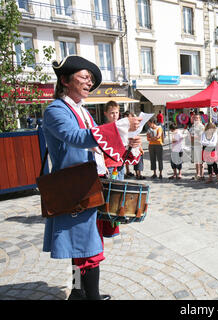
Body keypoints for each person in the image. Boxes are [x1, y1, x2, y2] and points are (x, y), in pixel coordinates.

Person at [42, 55, 141, 300]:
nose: (89, 82)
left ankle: (77, 292)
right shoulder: (55, 110)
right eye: (84, 77)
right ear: (65, 80)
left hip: (89, 185)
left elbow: (98, 147)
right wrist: (119, 127)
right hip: (76, 188)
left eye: (91, 79)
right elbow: (76, 137)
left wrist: (128, 145)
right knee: (88, 248)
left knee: (81, 247)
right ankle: (92, 297)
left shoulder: (82, 112)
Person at [103, 101, 125, 180]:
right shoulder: (103, 129)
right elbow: (99, 150)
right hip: (109, 165)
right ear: (106, 113)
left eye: (116, 112)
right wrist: (102, 165)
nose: (115, 115)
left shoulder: (122, 128)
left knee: (121, 190)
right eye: (112, 113)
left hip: (120, 164)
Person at [189, 114, 205, 180]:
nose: (196, 119)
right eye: (195, 118)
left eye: (197, 118)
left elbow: (201, 137)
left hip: (200, 145)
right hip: (194, 145)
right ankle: (197, 174)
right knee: (196, 161)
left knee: (201, 161)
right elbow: (189, 135)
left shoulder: (201, 127)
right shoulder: (193, 126)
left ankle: (202, 175)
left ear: (200, 119)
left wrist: (193, 137)